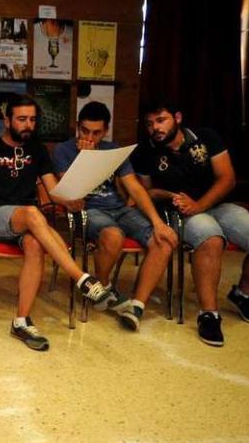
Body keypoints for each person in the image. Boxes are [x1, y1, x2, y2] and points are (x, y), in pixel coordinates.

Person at [0, 94, 112, 351]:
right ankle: (81, 278)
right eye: (22, 119)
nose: (28, 125)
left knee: (35, 244)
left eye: (32, 120)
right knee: (33, 213)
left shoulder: (37, 151)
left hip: (26, 223)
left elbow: (54, 190)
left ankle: (21, 321)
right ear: (7, 120)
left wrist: (72, 194)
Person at [134, 100, 249, 347]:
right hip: (180, 213)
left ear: (177, 118)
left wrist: (200, 204)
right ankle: (209, 314)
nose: (155, 128)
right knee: (211, 239)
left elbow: (227, 178)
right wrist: (170, 196)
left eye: (161, 120)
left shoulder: (205, 137)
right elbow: (146, 193)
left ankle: (243, 294)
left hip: (218, 205)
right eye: (149, 124)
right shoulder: (145, 151)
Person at [53, 102, 178, 331]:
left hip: (119, 208)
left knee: (164, 240)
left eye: (97, 132)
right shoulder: (63, 150)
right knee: (113, 236)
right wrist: (85, 160)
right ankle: (104, 287)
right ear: (78, 127)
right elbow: (70, 193)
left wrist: (158, 223)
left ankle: (136, 307)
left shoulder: (113, 149)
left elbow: (135, 188)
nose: (90, 136)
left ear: (106, 130)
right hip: (89, 209)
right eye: (85, 130)